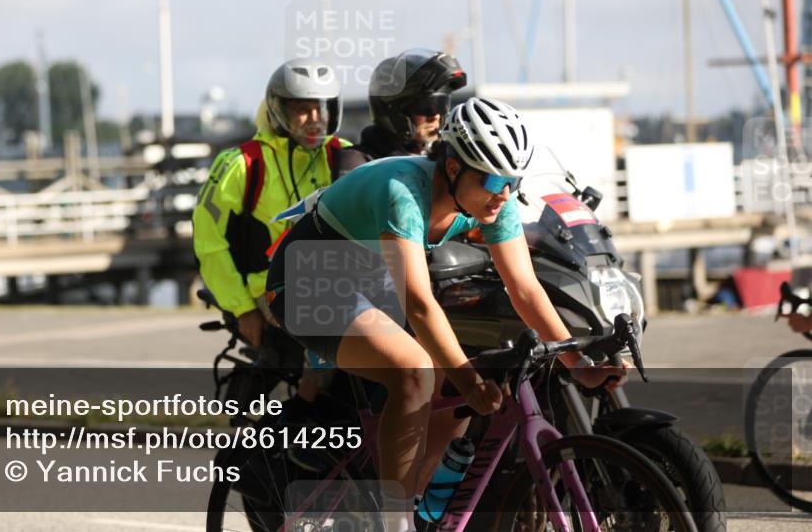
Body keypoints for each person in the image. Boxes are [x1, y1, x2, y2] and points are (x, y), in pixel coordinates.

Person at [265, 97, 628, 532]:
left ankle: (412, 499)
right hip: (306, 280)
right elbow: (419, 304)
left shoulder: (498, 200)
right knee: (417, 370)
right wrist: (470, 382)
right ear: (454, 168)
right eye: (494, 179)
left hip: (370, 280)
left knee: (444, 376)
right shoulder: (403, 191)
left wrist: (578, 365)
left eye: (512, 180)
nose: (504, 193)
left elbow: (525, 288)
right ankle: (394, 522)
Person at [192, 59, 349, 408]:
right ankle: (302, 416)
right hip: (271, 291)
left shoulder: (345, 156)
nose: (314, 119)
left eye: (320, 108)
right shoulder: (241, 164)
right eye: (301, 109)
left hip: (338, 282)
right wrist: (242, 308)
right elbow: (209, 243)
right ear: (278, 110)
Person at [337, 48, 466, 175]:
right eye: (428, 106)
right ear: (394, 110)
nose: (436, 116)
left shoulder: (442, 159)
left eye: (441, 105)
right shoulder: (358, 163)